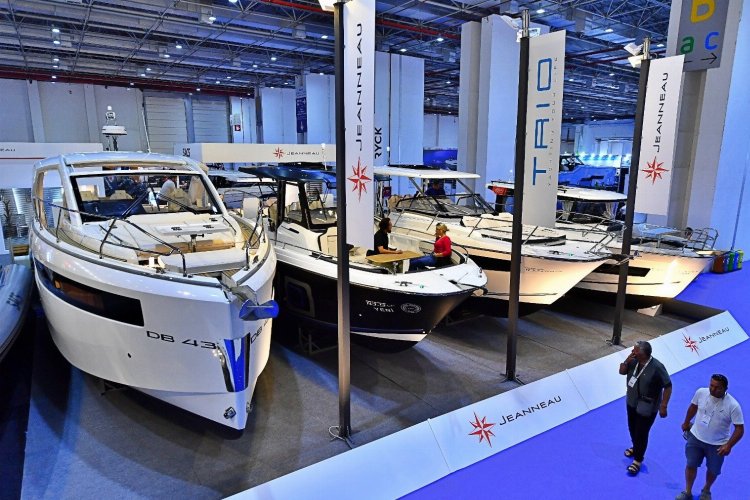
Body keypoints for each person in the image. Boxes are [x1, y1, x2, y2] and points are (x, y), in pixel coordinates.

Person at [675, 374, 744, 500]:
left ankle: (706, 490)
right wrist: (686, 422)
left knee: (713, 470)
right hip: (695, 438)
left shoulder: (733, 406)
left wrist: (729, 445)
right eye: (711, 385)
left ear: (725, 388)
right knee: (690, 465)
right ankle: (687, 492)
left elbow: (739, 429)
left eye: (717, 387)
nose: (712, 389)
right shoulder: (701, 392)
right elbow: (693, 407)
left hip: (717, 445)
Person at [618, 340, 672, 475]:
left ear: (643, 353)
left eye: (635, 350)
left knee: (641, 432)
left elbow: (668, 386)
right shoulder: (632, 361)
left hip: (648, 406)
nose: (632, 352)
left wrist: (664, 405)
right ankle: (636, 447)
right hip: (631, 402)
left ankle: (637, 460)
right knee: (632, 428)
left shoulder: (657, 367)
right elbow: (621, 372)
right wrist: (626, 361)